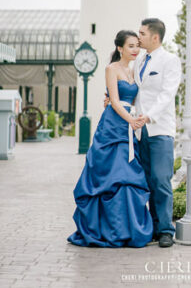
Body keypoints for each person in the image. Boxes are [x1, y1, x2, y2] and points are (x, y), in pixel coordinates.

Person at [68, 30, 154, 247]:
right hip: (113, 127)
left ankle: (128, 229)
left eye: (137, 45)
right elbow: (115, 101)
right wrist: (131, 121)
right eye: (131, 46)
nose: (135, 50)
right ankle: (107, 229)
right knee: (111, 174)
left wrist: (136, 118)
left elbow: (135, 98)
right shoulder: (111, 68)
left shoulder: (134, 71)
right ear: (120, 48)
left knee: (128, 176)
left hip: (128, 126)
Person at [134, 18, 182, 248]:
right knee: (147, 180)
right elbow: (137, 91)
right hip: (140, 132)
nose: (138, 37)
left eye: (142, 33)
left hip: (160, 129)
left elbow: (167, 94)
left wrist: (149, 116)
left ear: (155, 37)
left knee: (161, 179)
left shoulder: (170, 60)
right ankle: (153, 227)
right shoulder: (140, 59)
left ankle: (165, 230)